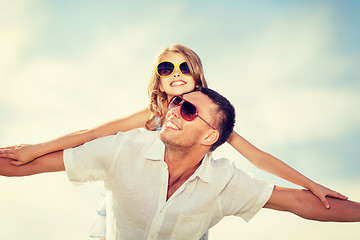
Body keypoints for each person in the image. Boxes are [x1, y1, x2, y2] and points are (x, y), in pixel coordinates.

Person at [0, 45, 347, 239]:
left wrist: (311, 184)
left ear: (197, 76)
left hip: (186, 204)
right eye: (166, 69)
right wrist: (36, 148)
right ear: (159, 81)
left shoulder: (210, 115)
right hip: (131, 189)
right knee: (108, 215)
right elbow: (91, 135)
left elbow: (258, 158)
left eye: (184, 68)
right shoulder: (151, 115)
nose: (176, 74)